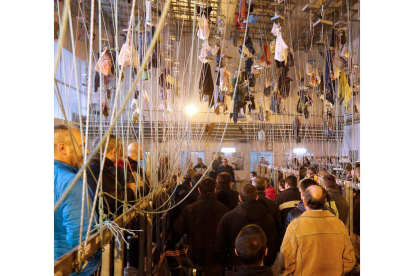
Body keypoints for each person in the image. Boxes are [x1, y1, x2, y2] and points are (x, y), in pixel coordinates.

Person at [54, 125, 101, 275]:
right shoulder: (72, 183)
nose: (87, 152)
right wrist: (96, 255)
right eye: (82, 146)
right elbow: (80, 237)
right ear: (63, 148)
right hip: (73, 269)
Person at [279, 186, 355, 275]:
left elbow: (285, 262)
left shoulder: (295, 226)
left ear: (304, 202)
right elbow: (349, 260)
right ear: (325, 201)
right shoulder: (339, 224)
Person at [168, 178, 229, 275]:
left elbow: (177, 231)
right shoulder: (224, 209)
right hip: (217, 257)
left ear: (199, 190)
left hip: (195, 256)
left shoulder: (190, 209)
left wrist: (168, 245)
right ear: (214, 190)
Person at [215, 184, 278, 270]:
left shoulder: (228, 218)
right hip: (260, 265)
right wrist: (267, 262)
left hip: (235, 265)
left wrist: (227, 263)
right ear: (256, 198)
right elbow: (273, 244)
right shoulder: (268, 218)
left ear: (240, 198)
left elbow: (220, 244)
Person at [86, 134, 135, 218]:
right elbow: (109, 201)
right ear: (114, 151)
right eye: (119, 151)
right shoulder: (98, 167)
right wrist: (130, 191)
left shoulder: (97, 164)